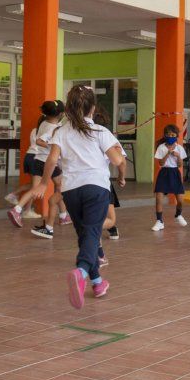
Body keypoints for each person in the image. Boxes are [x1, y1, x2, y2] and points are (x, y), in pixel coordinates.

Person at [42, 84, 127, 309]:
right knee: (91, 233)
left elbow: (51, 160)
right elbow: (119, 161)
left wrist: (44, 182)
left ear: (68, 108)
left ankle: (97, 282)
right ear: (93, 109)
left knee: (85, 235)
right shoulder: (100, 132)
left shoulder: (60, 132)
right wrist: (122, 176)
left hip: (71, 191)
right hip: (96, 189)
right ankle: (81, 272)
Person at [9, 101, 68, 229]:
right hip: (48, 162)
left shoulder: (45, 123)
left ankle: (18, 209)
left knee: (37, 189)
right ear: (60, 114)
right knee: (61, 187)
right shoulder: (53, 128)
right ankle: (63, 216)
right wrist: (53, 147)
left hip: (38, 160)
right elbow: (39, 141)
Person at [152, 124, 188, 231]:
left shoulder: (179, 148)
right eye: (168, 135)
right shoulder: (161, 147)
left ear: (176, 136)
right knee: (159, 199)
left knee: (180, 200)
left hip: (175, 173)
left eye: (173, 135)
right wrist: (168, 153)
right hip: (164, 173)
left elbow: (180, 165)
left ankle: (178, 215)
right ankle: (159, 221)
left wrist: (177, 156)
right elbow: (161, 163)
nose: (171, 137)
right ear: (165, 135)